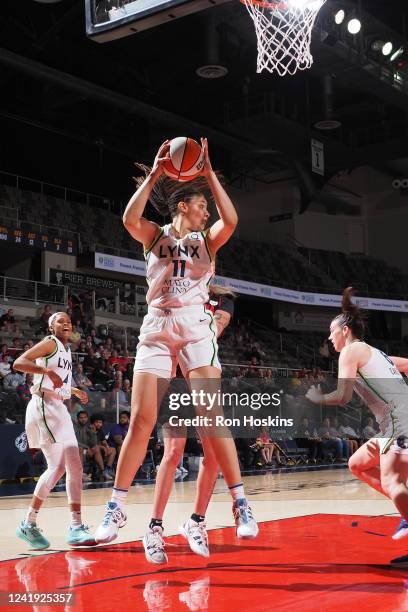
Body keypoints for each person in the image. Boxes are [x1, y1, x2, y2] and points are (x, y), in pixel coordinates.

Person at [95, 139, 258, 556]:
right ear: (183, 205)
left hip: (195, 328)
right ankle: (116, 506)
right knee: (142, 420)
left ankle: (240, 502)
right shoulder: (154, 236)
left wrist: (209, 175)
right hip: (157, 326)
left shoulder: (209, 242)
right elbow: (130, 217)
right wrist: (153, 175)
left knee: (211, 416)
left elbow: (233, 219)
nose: (208, 212)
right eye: (202, 205)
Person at [306, 287, 408, 561]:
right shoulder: (377, 354)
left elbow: (343, 396)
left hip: (400, 421)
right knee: (356, 464)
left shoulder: (351, 351)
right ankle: (406, 511)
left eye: (332, 331)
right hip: (393, 422)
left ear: (345, 330)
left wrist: (317, 397)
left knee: (392, 481)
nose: (329, 337)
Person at [142, 285, 238, 563]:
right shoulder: (173, 283)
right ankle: (154, 527)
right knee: (172, 453)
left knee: (213, 455)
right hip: (175, 381)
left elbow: (216, 328)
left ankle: (196, 522)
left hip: (202, 371)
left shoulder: (224, 299)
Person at [13, 312, 95, 549]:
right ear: (51, 327)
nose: (66, 322)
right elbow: (20, 362)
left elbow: (58, 381)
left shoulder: (66, 350)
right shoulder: (50, 343)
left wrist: (74, 390)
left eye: (68, 320)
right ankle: (76, 526)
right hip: (44, 405)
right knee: (73, 465)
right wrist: (46, 372)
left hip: (56, 406)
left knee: (58, 468)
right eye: (60, 320)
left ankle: (28, 523)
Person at [90, 413, 116, 479]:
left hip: (99, 448)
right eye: (97, 422)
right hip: (89, 450)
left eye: (100, 422)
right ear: (93, 422)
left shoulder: (100, 430)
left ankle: (107, 469)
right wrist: (102, 447)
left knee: (113, 450)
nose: (99, 424)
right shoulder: (89, 430)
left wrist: (107, 447)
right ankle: (102, 471)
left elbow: (104, 441)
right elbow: (91, 444)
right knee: (97, 448)